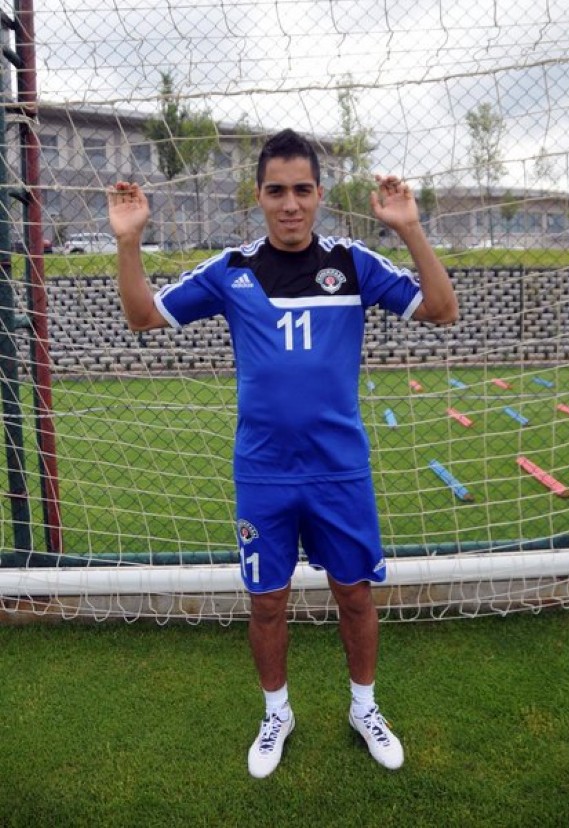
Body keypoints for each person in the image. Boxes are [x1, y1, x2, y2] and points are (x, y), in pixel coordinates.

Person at [107, 128, 458, 779]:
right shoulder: (231, 269)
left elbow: (442, 309)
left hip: (339, 470)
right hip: (264, 473)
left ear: (319, 194)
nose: (290, 204)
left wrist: (409, 228)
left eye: (301, 190)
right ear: (259, 196)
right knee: (267, 601)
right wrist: (129, 241)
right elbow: (142, 317)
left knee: (355, 595)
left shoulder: (354, 263)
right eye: (277, 191)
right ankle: (277, 714)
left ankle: (364, 708)